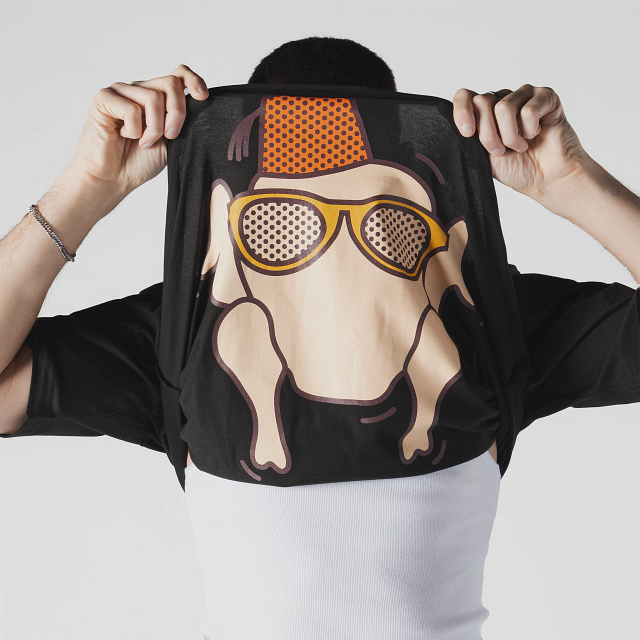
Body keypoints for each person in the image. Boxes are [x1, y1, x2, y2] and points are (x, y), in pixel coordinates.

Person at [1, 37, 638, 639]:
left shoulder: (477, 312)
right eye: (279, 225)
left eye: (385, 223)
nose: (332, 256)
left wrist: (570, 180)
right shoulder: (191, 327)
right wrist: (87, 186)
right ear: (234, 224)